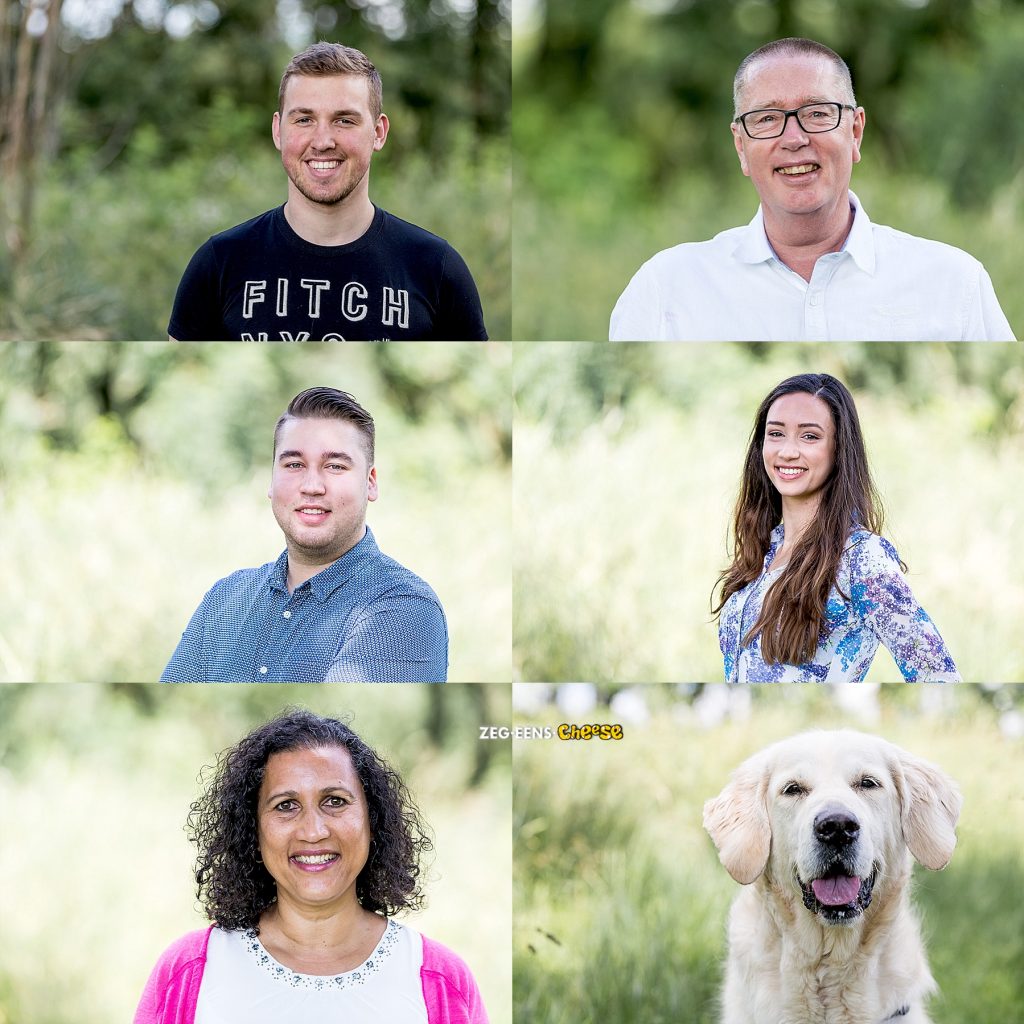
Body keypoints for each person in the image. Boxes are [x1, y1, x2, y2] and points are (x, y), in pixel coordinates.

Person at [610, 37, 1015, 341]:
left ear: (855, 132)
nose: (793, 138)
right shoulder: (667, 289)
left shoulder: (953, 283)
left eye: (817, 113)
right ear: (741, 146)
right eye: (767, 119)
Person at [134, 709, 489, 1024]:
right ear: (252, 828)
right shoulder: (190, 970)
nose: (314, 831)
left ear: (372, 820)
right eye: (286, 805)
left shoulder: (440, 980)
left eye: (335, 801)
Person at [168, 43, 487, 341]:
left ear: (378, 132)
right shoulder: (219, 263)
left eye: (344, 120)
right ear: (278, 131)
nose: (322, 141)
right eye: (304, 119)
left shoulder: (436, 268)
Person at [161, 386, 447, 682]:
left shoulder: (403, 606)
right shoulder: (224, 598)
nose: (312, 485)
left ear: (370, 482)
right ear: (271, 479)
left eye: (335, 466)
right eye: (294, 465)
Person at [713, 373, 960, 682]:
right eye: (776, 434)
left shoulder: (862, 557)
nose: (788, 451)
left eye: (809, 436)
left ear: (838, 448)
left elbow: (938, 676)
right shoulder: (763, 550)